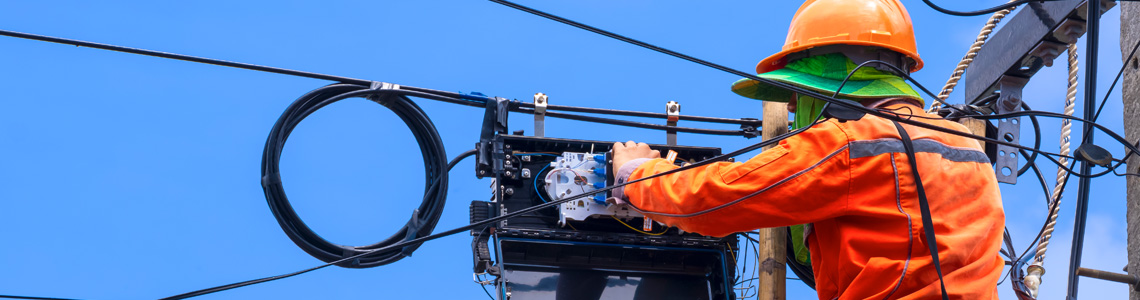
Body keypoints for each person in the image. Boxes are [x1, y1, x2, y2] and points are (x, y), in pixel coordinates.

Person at [610, 0, 1005, 299]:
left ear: (834, 82)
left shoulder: (849, 144)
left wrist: (638, 174)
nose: (795, 109)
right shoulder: (967, 147)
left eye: (798, 93)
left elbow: (715, 198)